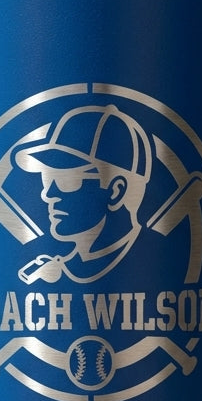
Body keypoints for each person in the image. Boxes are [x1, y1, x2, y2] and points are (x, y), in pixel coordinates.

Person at [15, 104, 152, 284]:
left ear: (116, 191)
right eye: (49, 178)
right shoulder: (57, 268)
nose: (48, 194)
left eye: (67, 180)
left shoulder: (166, 262)